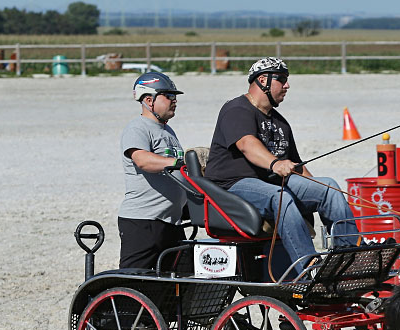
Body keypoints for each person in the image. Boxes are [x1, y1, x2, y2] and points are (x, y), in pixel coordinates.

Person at [205, 57, 359, 275]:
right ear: (262, 80)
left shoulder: (280, 122)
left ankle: (347, 260)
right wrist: (275, 163)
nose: (287, 85)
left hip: (269, 183)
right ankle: (306, 267)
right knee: (280, 196)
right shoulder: (236, 109)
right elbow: (248, 144)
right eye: (281, 79)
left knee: (330, 188)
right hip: (232, 187)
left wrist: (316, 188)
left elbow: (297, 166)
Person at [118, 71, 187, 269]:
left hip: (170, 221)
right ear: (149, 100)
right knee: (135, 281)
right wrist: (178, 163)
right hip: (143, 221)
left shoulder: (167, 130)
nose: (174, 101)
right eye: (169, 96)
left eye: (175, 97)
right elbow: (142, 160)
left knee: (172, 285)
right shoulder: (137, 128)